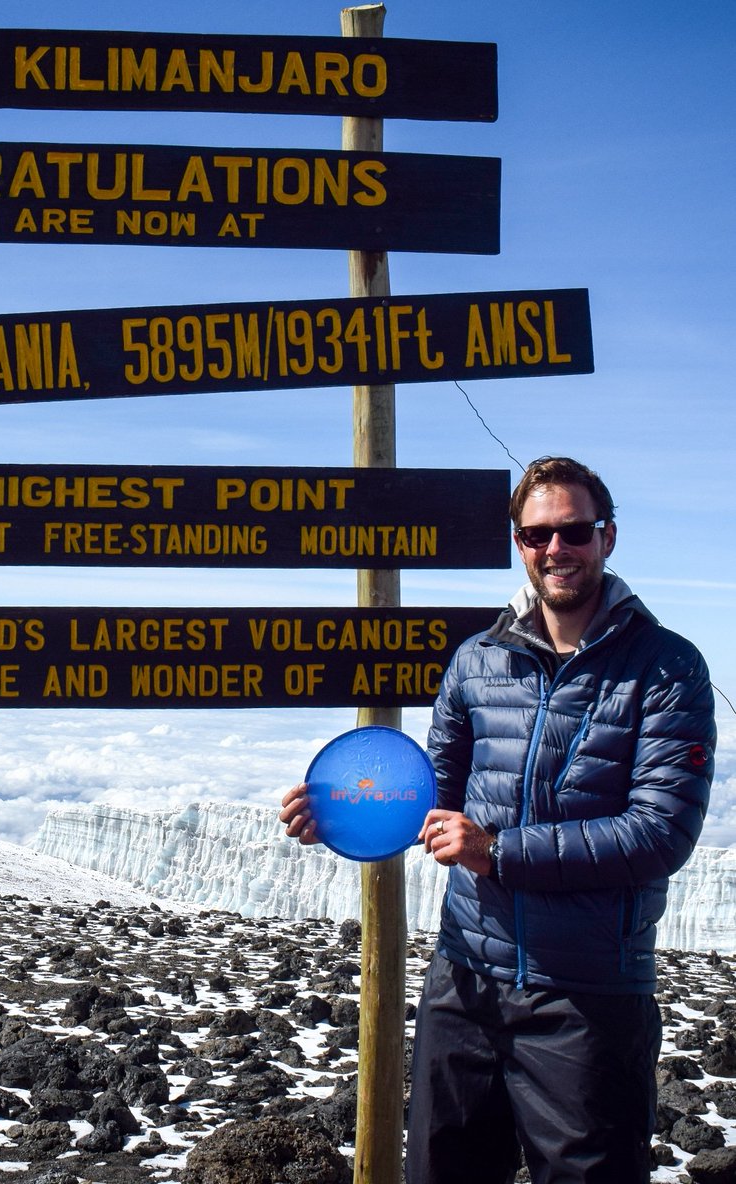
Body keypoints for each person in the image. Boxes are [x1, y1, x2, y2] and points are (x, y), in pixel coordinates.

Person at [279, 456, 715, 1184]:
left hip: (587, 996)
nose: (556, 549)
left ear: (608, 537)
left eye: (574, 530)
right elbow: (430, 796)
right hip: (465, 983)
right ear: (519, 543)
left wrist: (499, 852)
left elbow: (659, 832)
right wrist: (341, 815)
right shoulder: (477, 661)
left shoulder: (667, 668)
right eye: (537, 533)